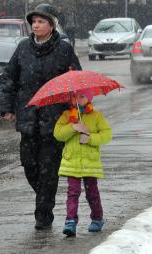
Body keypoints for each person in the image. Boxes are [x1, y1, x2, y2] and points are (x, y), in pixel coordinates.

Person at [0, 3, 82, 230]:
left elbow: (76, 80)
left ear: (52, 24)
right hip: (28, 117)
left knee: (48, 168)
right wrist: (7, 107)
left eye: (40, 21)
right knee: (29, 166)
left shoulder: (64, 50)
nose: (35, 25)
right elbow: (9, 79)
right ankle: (45, 197)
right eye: (33, 22)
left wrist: (75, 107)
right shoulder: (22, 48)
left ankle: (43, 215)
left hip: (55, 119)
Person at [53, 90, 112, 236]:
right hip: (72, 161)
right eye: (74, 96)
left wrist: (90, 138)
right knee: (73, 193)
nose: (77, 99)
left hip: (89, 162)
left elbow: (107, 135)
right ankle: (70, 220)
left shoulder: (96, 116)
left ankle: (97, 218)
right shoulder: (67, 116)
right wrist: (73, 127)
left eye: (82, 96)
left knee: (92, 193)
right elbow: (58, 134)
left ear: (89, 98)